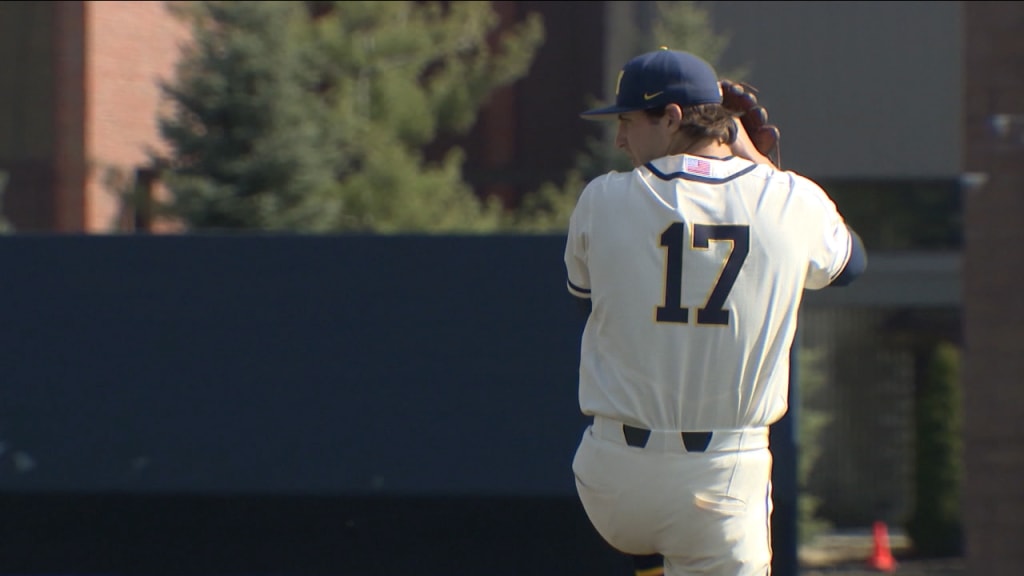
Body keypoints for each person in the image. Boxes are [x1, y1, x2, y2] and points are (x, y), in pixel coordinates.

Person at [563, 47, 867, 576]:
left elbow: (585, 303)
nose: (619, 138)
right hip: (722, 482)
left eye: (629, 121)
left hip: (612, 481)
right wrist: (756, 158)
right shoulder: (787, 196)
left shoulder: (602, 198)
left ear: (673, 118)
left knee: (653, 531)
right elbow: (851, 265)